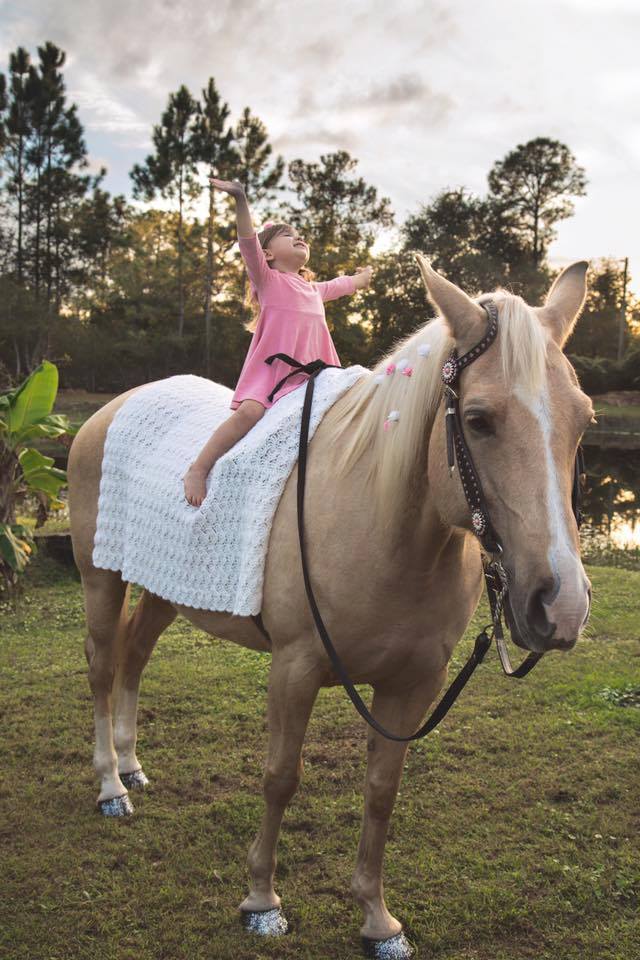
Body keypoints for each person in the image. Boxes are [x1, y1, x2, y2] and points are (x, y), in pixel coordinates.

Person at [183, 177, 373, 506]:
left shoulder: (314, 290)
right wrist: (241, 199)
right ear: (268, 253)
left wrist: (363, 277)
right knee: (249, 414)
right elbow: (246, 240)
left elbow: (344, 284)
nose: (298, 237)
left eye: (298, 235)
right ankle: (199, 467)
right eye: (288, 235)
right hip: (273, 376)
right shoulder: (268, 280)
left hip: (317, 374)